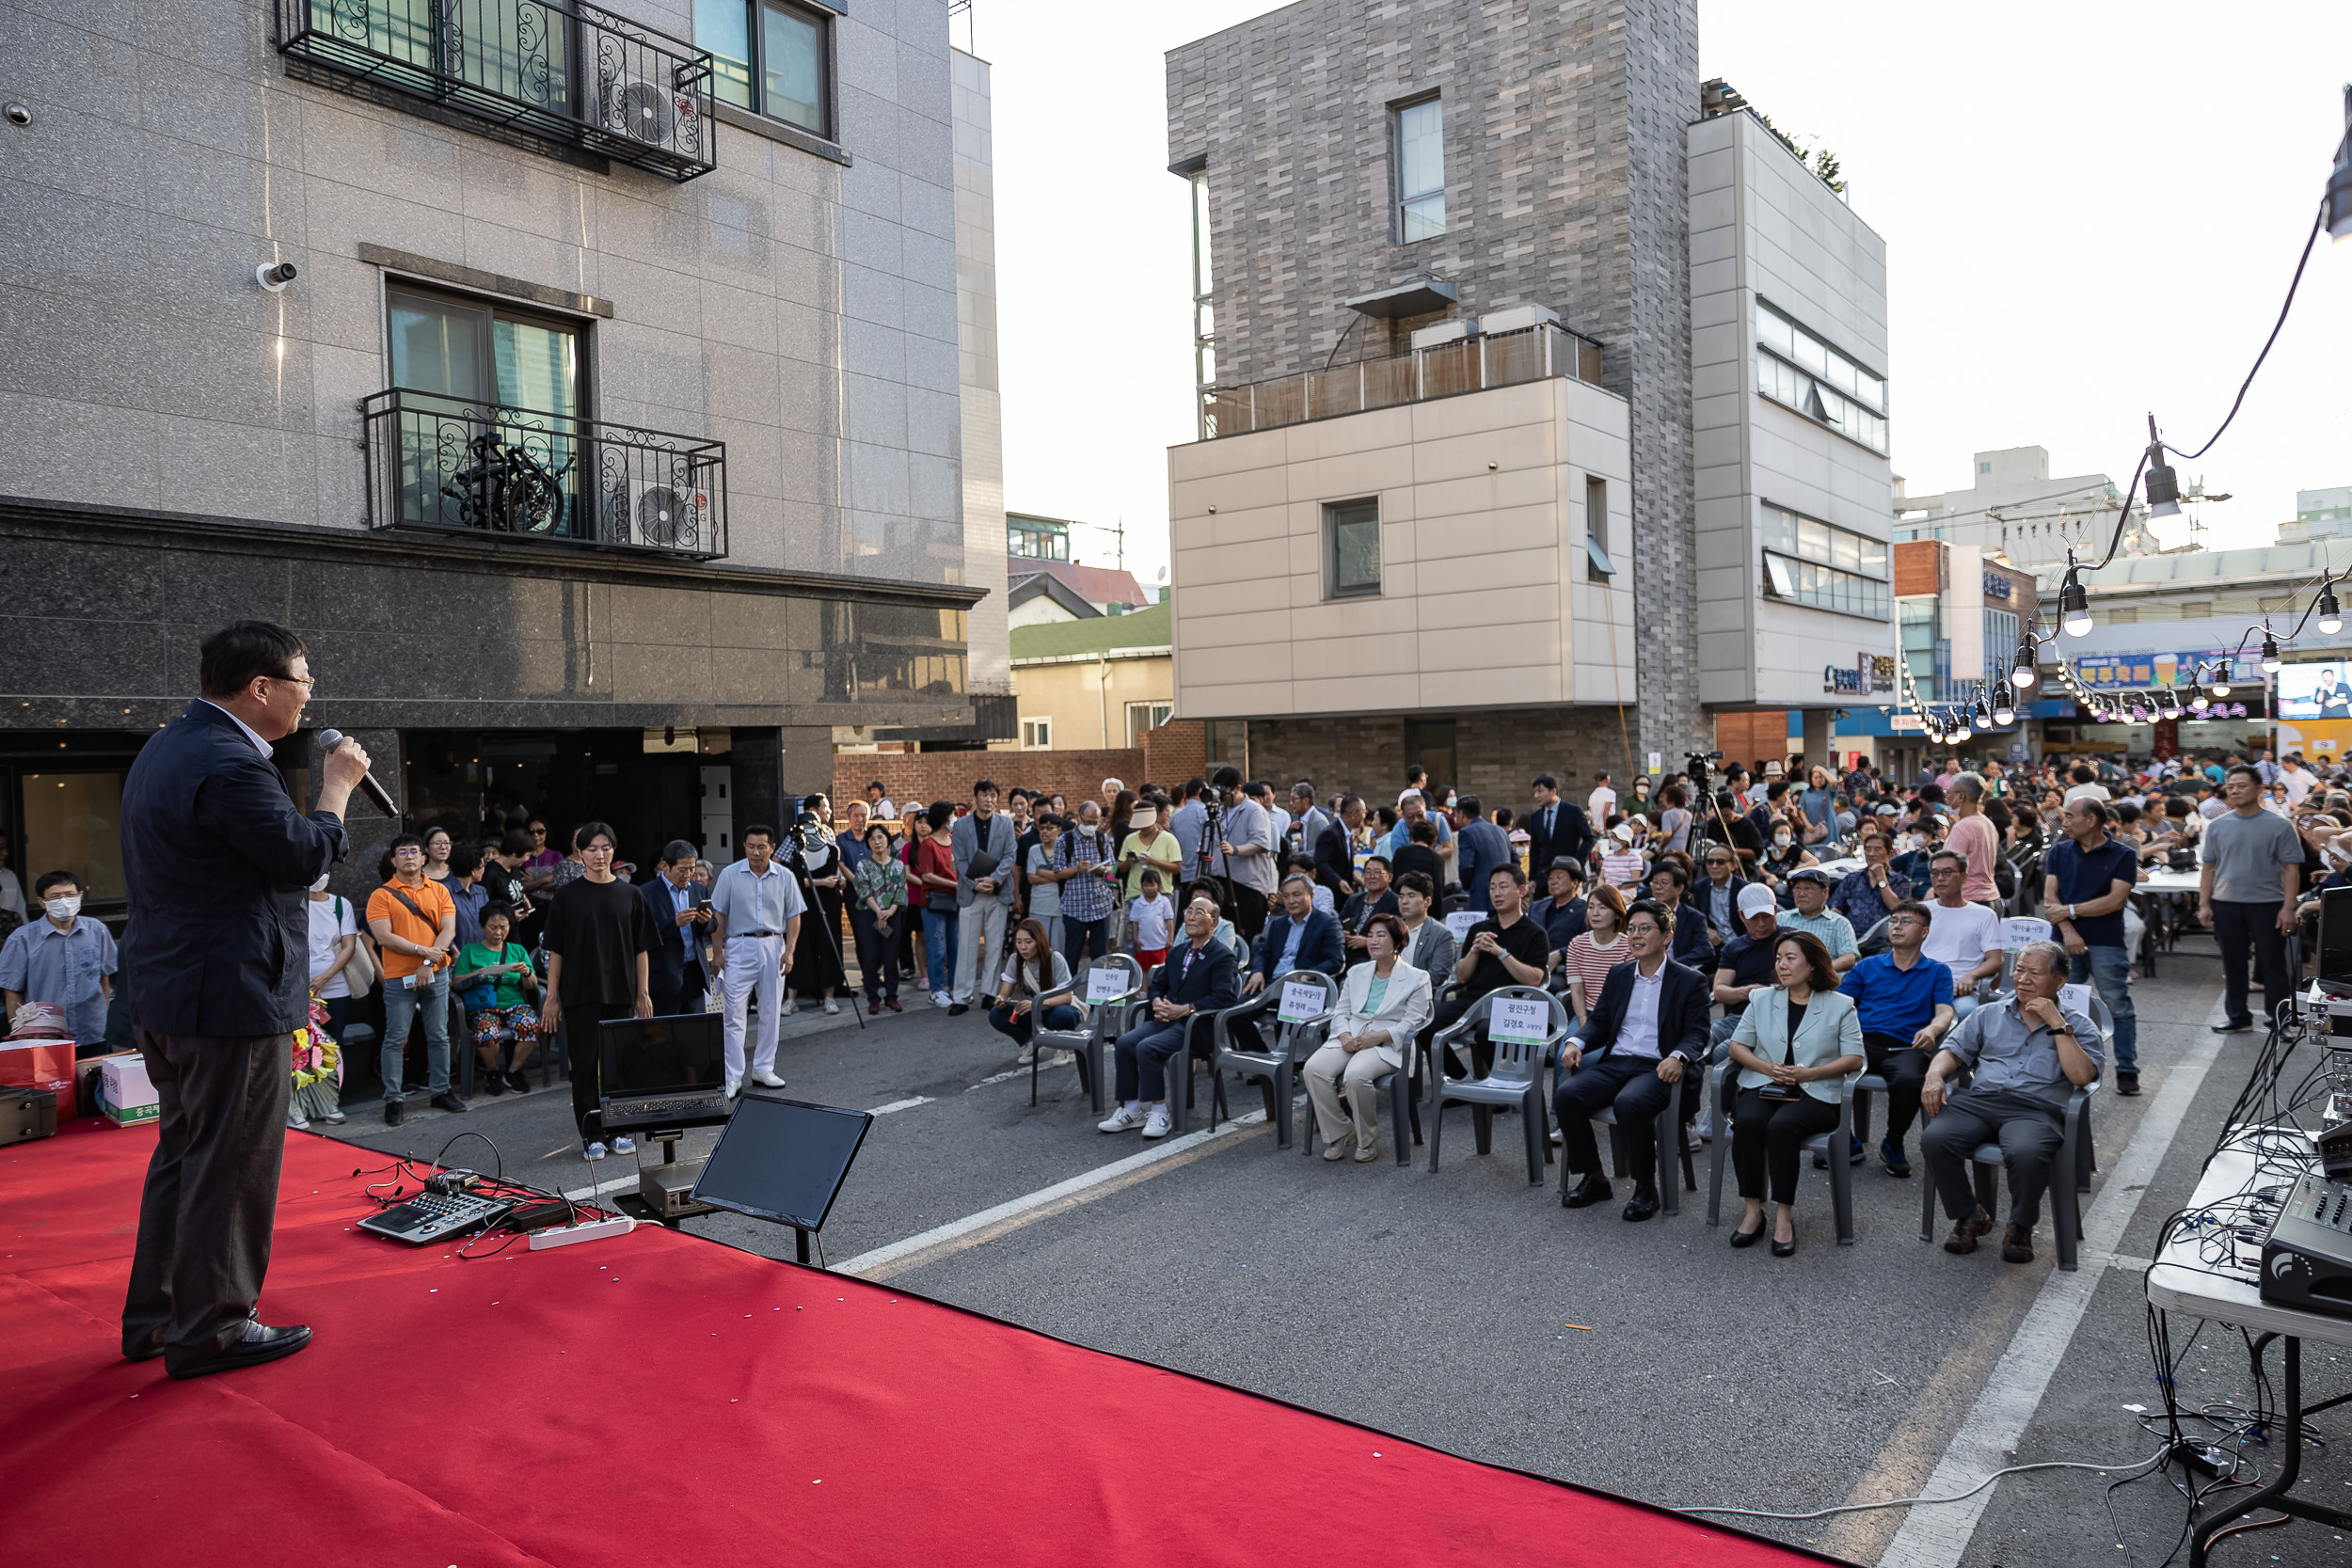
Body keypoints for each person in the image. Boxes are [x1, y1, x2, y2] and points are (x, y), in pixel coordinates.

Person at [119, 620, 359, 1378]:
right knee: (232, 1162)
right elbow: (299, 855)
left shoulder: (167, 746)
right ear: (262, 688)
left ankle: (158, 1315)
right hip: (227, 994)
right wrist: (336, 791)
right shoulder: (230, 761)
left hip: (170, 991)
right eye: (303, 679)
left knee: (185, 1154)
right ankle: (214, 1325)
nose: (308, 693)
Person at [1921, 942, 2103, 1265]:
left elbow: (2080, 1077)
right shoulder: (1989, 1013)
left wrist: (2057, 1025)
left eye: (2034, 973)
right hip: (1982, 1100)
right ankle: (1970, 1214)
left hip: (2035, 1110)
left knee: (2026, 1153)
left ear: (2059, 981)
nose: (2023, 979)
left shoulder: (2079, 1025)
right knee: (1935, 1139)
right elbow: (1953, 1050)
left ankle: (2021, 1225)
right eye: (2019, 970)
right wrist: (1935, 1075)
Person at [1554, 899, 1710, 1223]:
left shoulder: (1689, 980)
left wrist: (1677, 1057)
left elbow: (1698, 1033)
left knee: (1629, 1103)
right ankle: (1595, 1179)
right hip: (1618, 1062)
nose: (1635, 936)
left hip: (1658, 1066)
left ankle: (1645, 1188)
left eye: (1645, 929)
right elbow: (1601, 1021)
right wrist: (1575, 1041)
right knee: (1567, 1096)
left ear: (1667, 936)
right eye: (1632, 929)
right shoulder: (1620, 973)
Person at [1724, 931, 1864, 1255]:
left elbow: (1855, 1058)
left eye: (1791, 958)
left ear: (1813, 965)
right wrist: (1766, 1068)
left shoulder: (1840, 1005)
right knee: (1747, 1122)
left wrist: (1809, 1072)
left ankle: (1784, 1216)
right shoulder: (1762, 999)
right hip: (1765, 1083)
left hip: (1816, 1092)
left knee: (1780, 1127)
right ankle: (1752, 1211)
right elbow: (1736, 1046)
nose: (1782, 965)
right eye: (1778, 958)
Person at [539, 822, 656, 1159]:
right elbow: (556, 950)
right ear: (580, 853)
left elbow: (641, 948)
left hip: (620, 991)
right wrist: (552, 997)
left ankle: (619, 1131)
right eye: (591, 848)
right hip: (579, 994)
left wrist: (642, 992)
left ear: (614, 850)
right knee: (586, 1068)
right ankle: (591, 1135)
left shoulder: (631, 895)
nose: (599, 854)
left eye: (605, 848)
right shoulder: (566, 896)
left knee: (619, 1065)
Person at [1099, 889, 1239, 1140]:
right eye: (1188, 911)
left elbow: (1225, 997)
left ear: (1214, 922)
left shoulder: (1222, 956)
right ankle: (1130, 1110)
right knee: (1125, 1043)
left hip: (1197, 1026)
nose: (1192, 917)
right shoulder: (1177, 951)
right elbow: (1158, 985)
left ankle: (1160, 1111)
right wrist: (1157, 1002)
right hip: (1167, 1019)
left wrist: (1186, 1009)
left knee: (1147, 1048)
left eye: (1199, 912)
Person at [1836, 901, 1957, 1177]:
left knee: (1908, 1080)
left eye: (1906, 921)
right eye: (1893, 921)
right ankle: (1847, 1139)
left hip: (1906, 1045)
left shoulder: (1938, 971)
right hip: (1862, 1041)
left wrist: (1933, 1029)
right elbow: (1840, 1005)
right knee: (1820, 1066)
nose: (1897, 927)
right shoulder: (1868, 966)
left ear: (1924, 932)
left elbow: (1945, 1011)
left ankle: (1893, 1142)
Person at [1302, 913, 1432, 1162]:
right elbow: (1341, 1011)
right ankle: (1341, 1131)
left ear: (1397, 942)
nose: (1373, 941)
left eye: (1381, 935)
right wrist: (1344, 1035)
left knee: (1355, 1076)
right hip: (1352, 1036)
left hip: (1387, 1044)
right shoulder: (1357, 972)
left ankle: (1367, 1139)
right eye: (1370, 935)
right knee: (1313, 1069)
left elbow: (1414, 1022)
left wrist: (1380, 1036)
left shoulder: (1417, 977)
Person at [2044, 796, 2141, 1094]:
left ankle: (2126, 1069)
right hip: (2062, 942)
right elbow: (2050, 900)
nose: (2065, 821)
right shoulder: (2059, 852)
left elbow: (2114, 901)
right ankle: (2059, 1067)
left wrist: (2070, 912)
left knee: (2117, 1005)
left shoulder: (2122, 854)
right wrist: (2068, 930)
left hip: (2105, 941)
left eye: (2071, 816)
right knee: (2059, 1006)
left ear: (2092, 820)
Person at [2199, 762, 2303, 1034]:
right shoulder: (2217, 826)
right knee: (2233, 963)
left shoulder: (2280, 826)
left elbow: (2291, 870)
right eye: (2230, 787)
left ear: (2259, 789)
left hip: (2268, 905)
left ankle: (2279, 1021)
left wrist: (2288, 907)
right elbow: (2208, 868)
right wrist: (2204, 904)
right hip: (2226, 904)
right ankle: (2238, 1016)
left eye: (2241, 786)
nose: (2235, 791)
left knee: (2273, 964)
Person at [367, 834, 461, 1125]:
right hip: (398, 978)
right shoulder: (381, 895)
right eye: (402, 852)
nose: (409, 856)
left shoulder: (440, 891)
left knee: (439, 1035)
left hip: (437, 973)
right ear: (393, 860)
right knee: (396, 1038)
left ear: (423, 859)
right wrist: (424, 953)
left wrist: (426, 964)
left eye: (414, 852)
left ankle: (441, 1091)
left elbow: (448, 931)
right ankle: (394, 1098)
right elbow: (383, 937)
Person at [1428, 864, 1551, 1079]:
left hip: (1510, 1003)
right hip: (1473, 999)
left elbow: (1534, 979)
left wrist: (1500, 953)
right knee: (1426, 1025)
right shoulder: (1479, 928)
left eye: (1503, 887)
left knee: (1487, 1032)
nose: (1497, 893)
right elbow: (1463, 977)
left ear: (1521, 891)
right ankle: (1460, 1080)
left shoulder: (1535, 933)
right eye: (1493, 887)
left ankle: (1500, 1085)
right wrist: (1475, 950)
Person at [710, 824, 803, 1097]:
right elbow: (719, 916)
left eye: (761, 847)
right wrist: (717, 952)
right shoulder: (729, 875)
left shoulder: (785, 876)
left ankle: (763, 1068)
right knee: (734, 1013)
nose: (756, 852)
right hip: (739, 944)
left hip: (774, 944)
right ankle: (732, 1075)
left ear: (772, 848)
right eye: (751, 846)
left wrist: (790, 950)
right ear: (744, 846)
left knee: (771, 1010)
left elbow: (794, 916)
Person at [2, 870, 119, 1047]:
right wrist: (20, 1033)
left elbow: (103, 978)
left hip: (93, 1032)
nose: (64, 901)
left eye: (69, 895)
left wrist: (104, 1016)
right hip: (44, 1036)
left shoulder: (97, 930)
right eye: (55, 896)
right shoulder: (22, 938)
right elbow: (12, 989)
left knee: (95, 1074)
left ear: (80, 896)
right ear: (42, 902)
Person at [453, 903, 540, 1095]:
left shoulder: (517, 950)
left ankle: (513, 1072)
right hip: (483, 1006)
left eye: (504, 927)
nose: (498, 932)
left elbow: (532, 985)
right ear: (483, 926)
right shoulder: (470, 950)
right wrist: (479, 973)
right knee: (487, 1032)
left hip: (514, 1004)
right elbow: (457, 983)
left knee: (532, 1026)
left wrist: (526, 972)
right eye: (493, 927)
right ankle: (492, 1071)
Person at [1918, 851, 2005, 1018]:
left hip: (1960, 989)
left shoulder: (1984, 915)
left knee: (1966, 1013)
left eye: (1948, 872)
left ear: (1964, 877)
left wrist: (1971, 975)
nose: (1940, 878)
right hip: (1919, 984)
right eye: (1935, 873)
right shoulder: (1922, 911)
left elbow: (1995, 960)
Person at [987, 917, 1081, 1065]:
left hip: (1055, 1008)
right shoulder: (1014, 959)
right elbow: (1005, 992)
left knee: (1064, 1015)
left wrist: (1036, 1004)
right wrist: (1001, 999)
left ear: (1039, 941)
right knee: (996, 1014)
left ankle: (1064, 1046)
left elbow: (1067, 996)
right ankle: (1030, 1042)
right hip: (1034, 1011)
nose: (1023, 947)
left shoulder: (1055, 958)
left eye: (1028, 942)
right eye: (1019, 942)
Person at [642, 839, 714, 1019]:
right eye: (683, 869)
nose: (688, 874)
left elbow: (713, 927)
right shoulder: (646, 893)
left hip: (695, 975)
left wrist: (706, 921)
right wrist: (674, 923)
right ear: (665, 866)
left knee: (695, 1033)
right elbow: (642, 934)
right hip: (664, 977)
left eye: (692, 869)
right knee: (665, 1035)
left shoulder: (699, 890)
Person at [785, 814, 848, 1015]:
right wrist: (820, 882)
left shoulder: (831, 850)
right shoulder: (797, 853)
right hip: (803, 905)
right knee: (800, 946)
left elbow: (830, 877)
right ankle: (791, 999)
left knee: (829, 945)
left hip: (828, 904)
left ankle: (829, 997)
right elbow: (796, 881)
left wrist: (814, 882)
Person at [1209, 767, 1279, 939]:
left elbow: (1262, 843)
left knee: (1246, 935)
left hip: (1247, 884)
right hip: (1221, 880)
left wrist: (1235, 850)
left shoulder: (1255, 810)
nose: (1222, 798)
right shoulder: (1219, 811)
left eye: (1225, 793)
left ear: (1238, 788)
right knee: (1223, 935)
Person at [1055, 800, 1120, 974]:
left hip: (1100, 905)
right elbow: (1058, 873)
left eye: (1095, 822)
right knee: (1072, 955)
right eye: (1088, 822)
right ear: (1078, 817)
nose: (1091, 826)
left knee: (1100, 956)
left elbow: (1113, 870)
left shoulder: (1101, 838)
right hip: (1074, 907)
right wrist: (1076, 869)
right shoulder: (1064, 841)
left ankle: (1098, 996)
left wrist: (1102, 870)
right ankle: (1069, 994)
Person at [851, 822, 907, 1014]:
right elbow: (863, 890)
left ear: (887, 840)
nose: (877, 841)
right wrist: (878, 911)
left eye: (880, 837)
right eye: (872, 838)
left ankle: (891, 997)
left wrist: (890, 911)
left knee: (891, 959)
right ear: (868, 843)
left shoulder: (898, 865)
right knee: (870, 958)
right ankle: (873, 998)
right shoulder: (863, 865)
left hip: (892, 915)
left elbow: (901, 891)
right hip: (869, 915)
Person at [1561, 883, 1630, 1025]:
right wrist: (1584, 1023)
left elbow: (1625, 994)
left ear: (1617, 913)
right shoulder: (1577, 944)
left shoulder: (1629, 947)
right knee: (1568, 1047)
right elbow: (1577, 991)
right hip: (1586, 1014)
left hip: (1618, 1017)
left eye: (1602, 907)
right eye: (1591, 907)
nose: (1595, 913)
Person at [303, 872, 361, 1042]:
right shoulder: (294, 904)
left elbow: (349, 947)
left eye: (323, 871)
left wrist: (324, 978)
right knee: (304, 1048)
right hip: (301, 989)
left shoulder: (341, 905)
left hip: (336, 987)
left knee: (334, 1044)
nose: (318, 876)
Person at [913, 801, 960, 1006]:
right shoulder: (928, 845)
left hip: (955, 901)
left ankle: (955, 987)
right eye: (952, 815)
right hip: (934, 903)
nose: (955, 819)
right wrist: (955, 884)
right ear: (943, 818)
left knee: (955, 947)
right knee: (937, 948)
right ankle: (936, 990)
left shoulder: (953, 841)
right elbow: (927, 876)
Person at [1776, 866, 1859, 974]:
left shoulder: (1839, 923)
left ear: (1825, 893)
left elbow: (1849, 958)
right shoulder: (1781, 918)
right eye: (1797, 888)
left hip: (1822, 979)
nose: (1801, 894)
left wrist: (1818, 971)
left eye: (1808, 889)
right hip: (1784, 976)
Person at [1828, 830, 1911, 938]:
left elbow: (1898, 910)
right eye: (1868, 849)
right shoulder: (1852, 879)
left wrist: (1881, 879)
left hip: (1885, 940)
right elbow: (1835, 908)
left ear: (1890, 853)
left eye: (1877, 849)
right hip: (1851, 937)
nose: (1871, 854)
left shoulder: (1900, 881)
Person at [1452, 796, 1515, 913]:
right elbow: (1515, 860)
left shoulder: (1467, 832)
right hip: (1506, 893)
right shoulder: (1500, 830)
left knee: (1484, 930)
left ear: (1461, 813)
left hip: (1482, 895)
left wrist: (1465, 886)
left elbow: (1466, 866)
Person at [1645, 862, 1712, 968]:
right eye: (1655, 882)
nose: (1657, 887)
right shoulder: (1642, 912)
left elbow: (1705, 950)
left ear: (1679, 888)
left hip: (1677, 970)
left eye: (1664, 883)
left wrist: (1673, 964)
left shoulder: (1694, 917)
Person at [1393, 871, 1457, 981]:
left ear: (1427, 901)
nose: (1404, 901)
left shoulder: (1441, 935)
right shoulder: (1392, 928)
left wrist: (1402, 985)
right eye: (1401, 896)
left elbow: (1437, 976)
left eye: (1411, 896)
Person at [1120, 801, 1182, 904]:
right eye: (1140, 826)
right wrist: (1128, 863)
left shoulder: (1169, 839)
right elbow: (1121, 867)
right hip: (1135, 895)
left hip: (1161, 895)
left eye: (1146, 825)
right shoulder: (1129, 839)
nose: (1142, 828)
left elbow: (1176, 868)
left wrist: (1155, 862)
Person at [1339, 854, 1399, 955]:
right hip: (1345, 951)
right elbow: (1338, 925)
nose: (1372, 876)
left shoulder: (1395, 902)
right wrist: (1342, 934)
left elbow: (1397, 936)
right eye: (1368, 872)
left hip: (1373, 957)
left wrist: (1368, 941)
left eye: (1377, 872)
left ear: (1389, 877)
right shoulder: (1353, 899)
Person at [1530, 857, 1588, 958]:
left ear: (1574, 882)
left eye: (1559, 877)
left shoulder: (1584, 910)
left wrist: (1561, 953)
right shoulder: (1536, 907)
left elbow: (1587, 944)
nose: (1553, 882)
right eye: (1551, 878)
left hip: (1564, 967)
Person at [1313, 794, 1366, 903]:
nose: (1364, 816)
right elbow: (1321, 863)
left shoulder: (1348, 833)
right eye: (1364, 812)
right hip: (1330, 895)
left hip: (1344, 895)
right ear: (1354, 814)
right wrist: (1339, 881)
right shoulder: (1330, 833)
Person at [1126, 870, 1176, 969]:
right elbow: (1134, 923)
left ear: (1159, 886)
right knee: (1143, 969)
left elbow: (1169, 921)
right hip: (1143, 945)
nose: (1149, 889)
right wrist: (1136, 940)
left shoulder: (1164, 902)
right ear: (1141, 886)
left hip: (1160, 944)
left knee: (1160, 969)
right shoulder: (1137, 903)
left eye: (1152, 885)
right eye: (1146, 886)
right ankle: (1144, 985)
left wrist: (1170, 939)